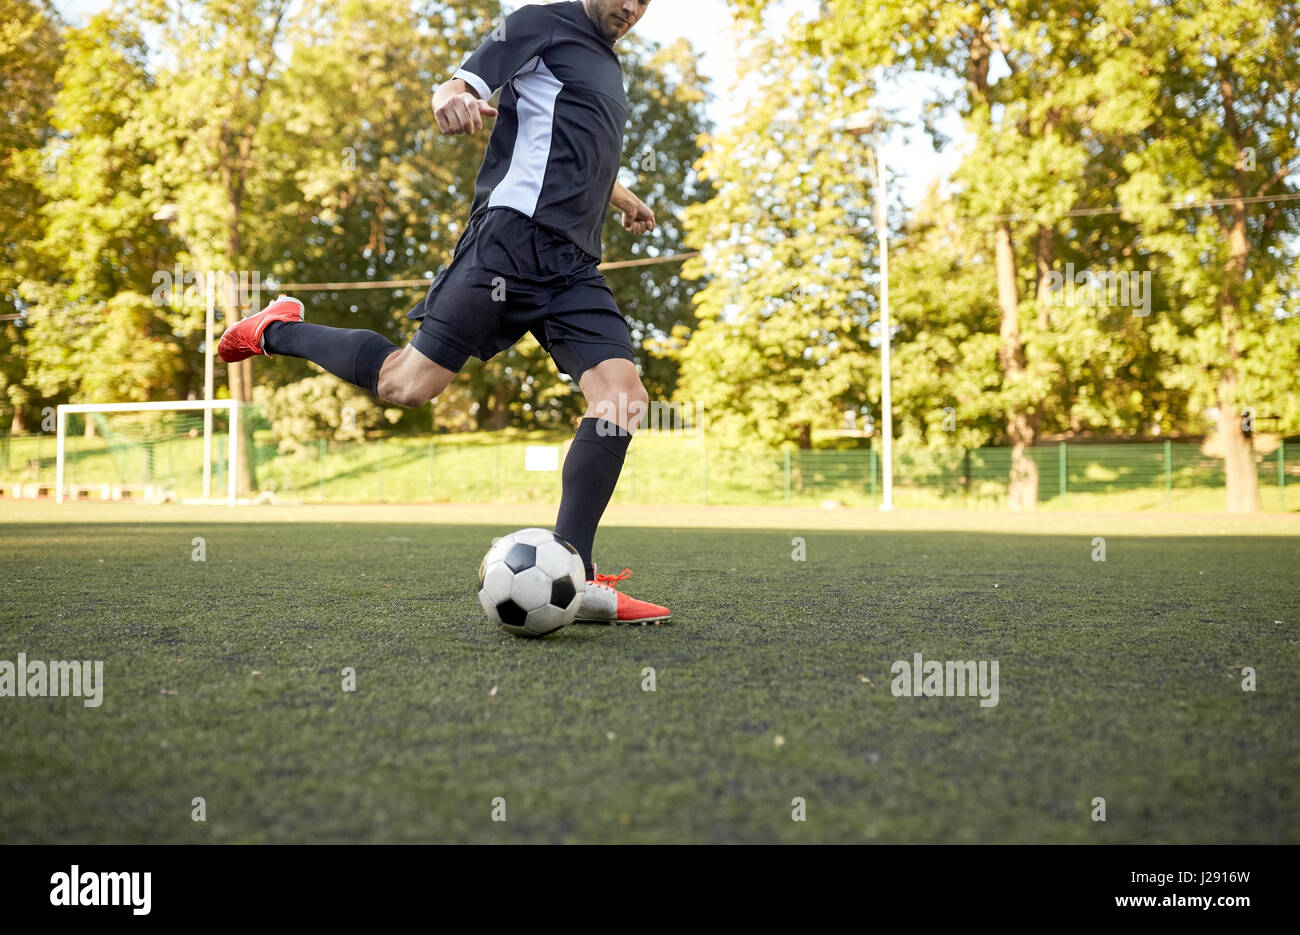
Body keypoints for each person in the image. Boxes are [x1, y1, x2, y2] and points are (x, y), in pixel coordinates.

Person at [218, 0, 669, 624]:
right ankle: (276, 329)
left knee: (622, 399)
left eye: (646, 0)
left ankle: (578, 575)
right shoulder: (540, 21)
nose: (632, 7)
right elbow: (462, 83)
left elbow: (571, 145)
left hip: (573, 267)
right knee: (406, 384)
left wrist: (621, 196)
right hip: (510, 242)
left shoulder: (607, 65)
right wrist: (450, 97)